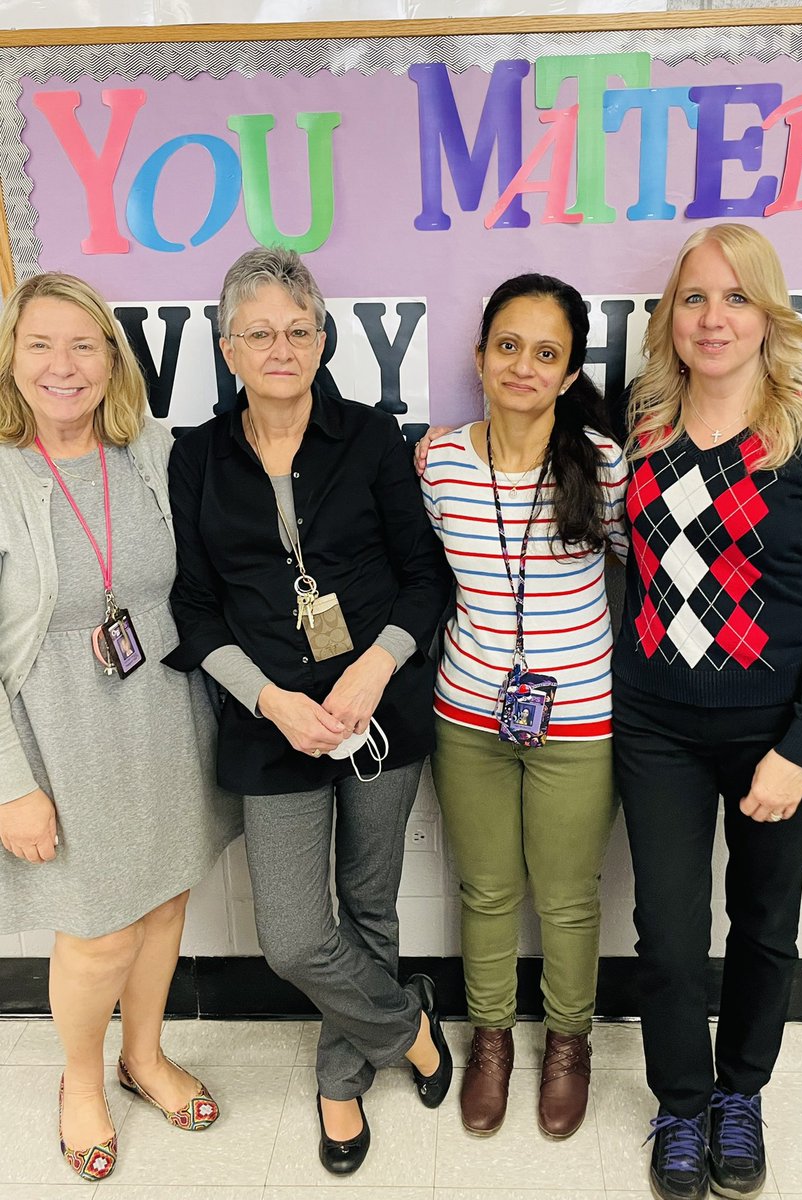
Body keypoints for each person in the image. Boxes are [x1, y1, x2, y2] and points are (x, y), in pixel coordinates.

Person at [163, 246, 453, 1176]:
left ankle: (340, 1076)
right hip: (271, 725)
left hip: (382, 714)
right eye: (258, 332)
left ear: (323, 340)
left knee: (368, 902)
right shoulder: (197, 456)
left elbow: (425, 580)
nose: (280, 346)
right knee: (292, 935)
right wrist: (271, 700)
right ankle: (406, 1027)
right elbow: (195, 607)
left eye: (298, 329)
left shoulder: (372, 438)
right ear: (227, 346)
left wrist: (373, 670)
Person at [609, 224, 802, 1200]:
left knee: (764, 922)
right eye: (693, 299)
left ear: (769, 314)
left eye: (734, 298)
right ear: (668, 319)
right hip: (657, 727)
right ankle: (681, 1105)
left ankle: (739, 1096)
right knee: (670, 934)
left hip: (779, 731)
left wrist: (800, 748)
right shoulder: (641, 422)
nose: (712, 319)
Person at [0, 272, 242, 1182]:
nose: (63, 366)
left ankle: (144, 1058)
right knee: (98, 929)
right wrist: (9, 785)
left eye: (84, 345)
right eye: (40, 345)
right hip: (57, 735)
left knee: (166, 898)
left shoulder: (151, 450)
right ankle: (81, 1082)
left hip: (160, 715)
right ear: (12, 359)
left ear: (113, 357)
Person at [420, 274, 629, 1139]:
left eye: (547, 353)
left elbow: (643, 573)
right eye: (509, 346)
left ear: (571, 372)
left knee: (571, 896)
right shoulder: (437, 462)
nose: (523, 366)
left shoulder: (603, 467)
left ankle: (569, 1045)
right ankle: (493, 1042)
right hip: (468, 714)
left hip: (578, 719)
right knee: (488, 889)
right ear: (479, 356)